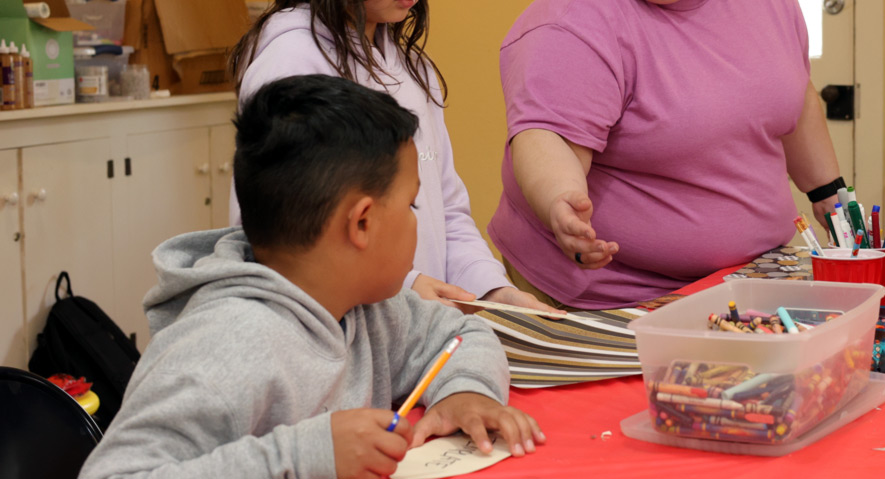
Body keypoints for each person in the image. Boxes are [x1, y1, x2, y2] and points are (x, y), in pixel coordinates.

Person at [79, 75, 545, 479]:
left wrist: (465, 391)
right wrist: (304, 457)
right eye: (411, 205)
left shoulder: (367, 308)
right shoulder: (225, 348)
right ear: (361, 223)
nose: (416, 221)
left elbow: (460, 334)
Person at [489, 0, 843, 310]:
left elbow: (794, 97)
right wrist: (563, 205)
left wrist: (830, 195)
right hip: (615, 291)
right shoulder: (574, 23)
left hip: (748, 278)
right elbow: (545, 138)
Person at [226, 0, 551, 313]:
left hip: (413, 327)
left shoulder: (406, 67)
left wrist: (493, 291)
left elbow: (448, 209)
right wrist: (407, 284)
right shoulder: (292, 61)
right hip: (339, 335)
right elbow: (281, 243)